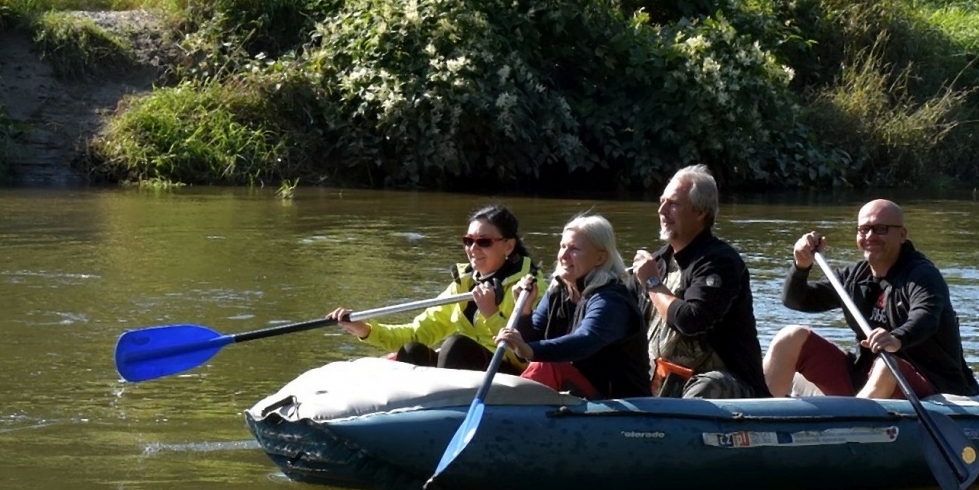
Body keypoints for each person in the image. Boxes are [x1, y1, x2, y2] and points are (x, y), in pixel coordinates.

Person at [763, 199, 979, 399]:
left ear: (902, 234)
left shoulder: (922, 275)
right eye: (863, 230)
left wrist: (897, 338)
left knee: (888, 367)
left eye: (880, 229)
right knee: (790, 337)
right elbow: (796, 300)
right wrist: (801, 266)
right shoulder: (853, 278)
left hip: (929, 387)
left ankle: (853, 429)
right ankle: (755, 420)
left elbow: (926, 316)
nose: (870, 236)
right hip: (867, 379)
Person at [326, 203, 535, 371]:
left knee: (455, 347)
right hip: (465, 372)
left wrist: (491, 314)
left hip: (509, 375)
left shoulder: (531, 287)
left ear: (508, 245)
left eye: (484, 242)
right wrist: (365, 330)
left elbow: (527, 354)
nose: (473, 249)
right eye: (468, 241)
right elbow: (417, 333)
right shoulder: (463, 285)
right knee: (411, 350)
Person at [630, 165, 766, 398]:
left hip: (729, 387)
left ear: (700, 212)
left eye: (673, 204)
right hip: (663, 383)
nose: (662, 210)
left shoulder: (719, 262)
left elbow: (691, 320)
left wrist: (652, 283)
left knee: (708, 385)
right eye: (662, 202)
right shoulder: (657, 262)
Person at [497, 214, 651, 399]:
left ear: (600, 258)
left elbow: (585, 340)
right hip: (576, 394)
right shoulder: (558, 292)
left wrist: (530, 350)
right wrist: (524, 311)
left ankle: (505, 414)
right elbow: (532, 340)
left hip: (618, 403)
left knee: (547, 365)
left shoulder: (611, 300)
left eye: (574, 249)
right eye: (563, 247)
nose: (563, 255)